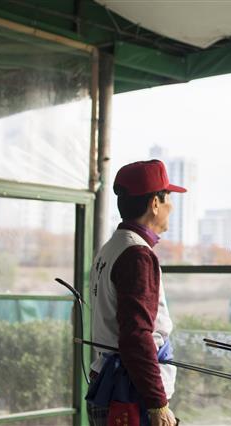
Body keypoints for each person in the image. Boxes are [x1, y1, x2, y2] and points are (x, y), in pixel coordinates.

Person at [87, 159, 186, 426]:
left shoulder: (112, 247)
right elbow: (137, 335)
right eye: (167, 199)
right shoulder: (137, 255)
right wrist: (158, 404)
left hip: (113, 385)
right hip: (130, 393)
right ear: (155, 203)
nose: (171, 206)